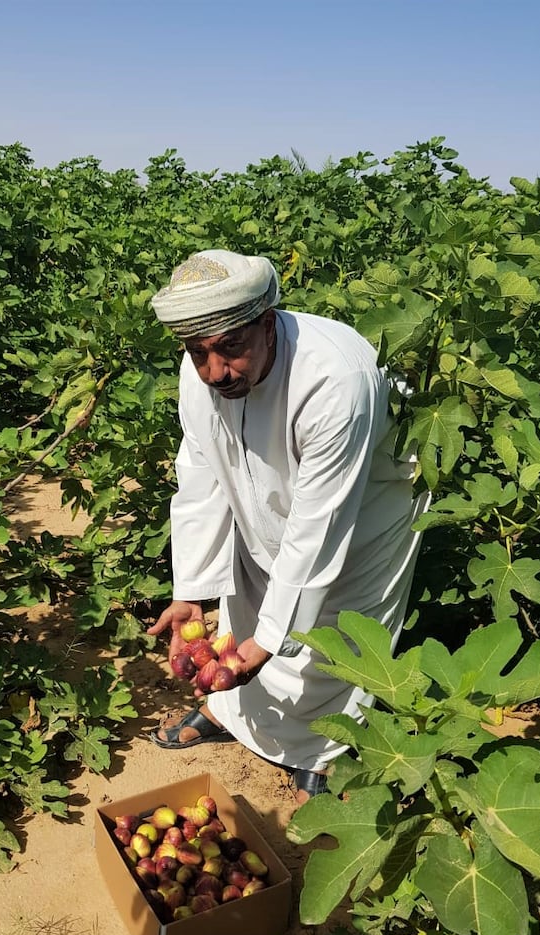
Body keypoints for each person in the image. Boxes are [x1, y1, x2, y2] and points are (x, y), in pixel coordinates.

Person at [146, 249, 426, 804]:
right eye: (197, 352)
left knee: (335, 622)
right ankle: (227, 710)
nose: (215, 371)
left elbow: (318, 526)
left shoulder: (334, 380)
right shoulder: (201, 370)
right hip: (261, 492)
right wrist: (192, 592)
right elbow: (200, 471)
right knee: (244, 598)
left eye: (232, 348)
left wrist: (273, 638)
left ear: (267, 324)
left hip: (363, 504)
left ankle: (318, 752)